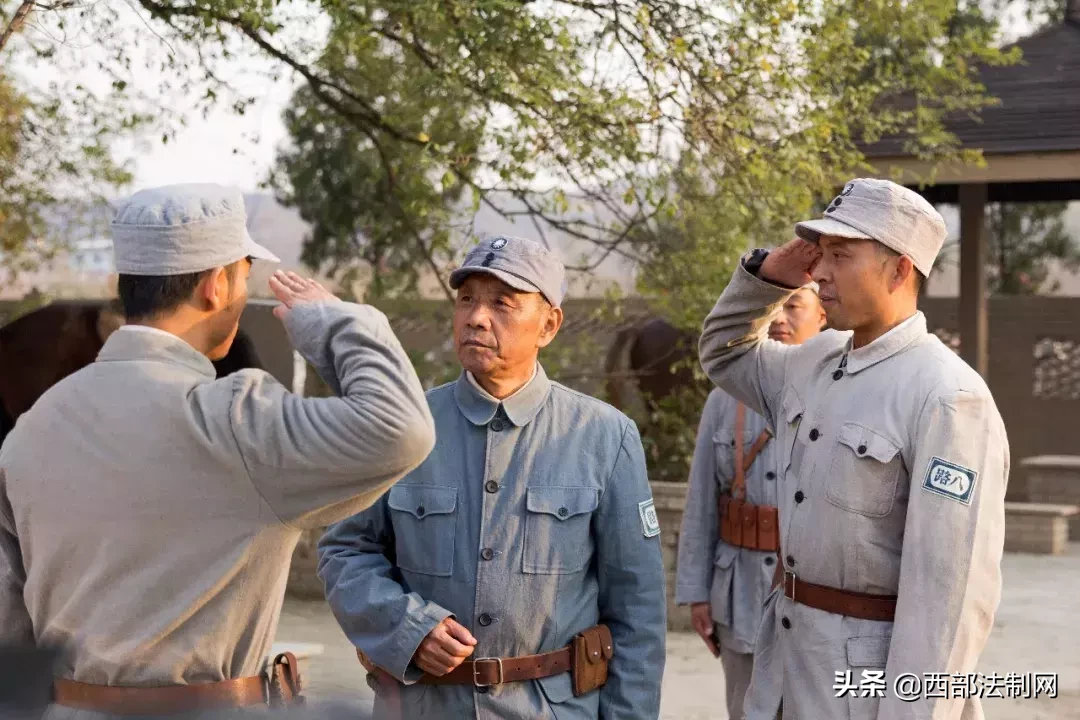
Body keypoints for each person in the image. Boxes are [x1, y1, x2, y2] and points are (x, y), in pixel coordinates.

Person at [0, 183, 436, 718]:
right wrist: (335, 322)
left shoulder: (35, 425)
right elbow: (401, 429)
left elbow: (10, 622)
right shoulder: (237, 423)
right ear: (215, 284)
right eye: (243, 276)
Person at [317, 235, 666, 720]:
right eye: (467, 300)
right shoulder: (403, 428)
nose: (477, 317)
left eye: (502, 303)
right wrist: (407, 627)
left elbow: (637, 612)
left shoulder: (605, 437)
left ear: (549, 323)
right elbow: (345, 550)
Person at [698, 178, 1009, 720]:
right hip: (784, 665)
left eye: (841, 256)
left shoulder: (947, 396)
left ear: (899, 269)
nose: (818, 274)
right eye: (820, 256)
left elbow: (949, 599)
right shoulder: (810, 362)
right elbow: (723, 355)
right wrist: (768, 276)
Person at [676, 284, 825, 719]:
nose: (779, 318)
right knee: (746, 710)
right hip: (739, 593)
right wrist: (695, 594)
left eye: (794, 306)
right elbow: (702, 501)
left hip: (813, 595)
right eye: (771, 308)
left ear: (822, 317)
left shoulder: (842, 396)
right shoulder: (722, 401)